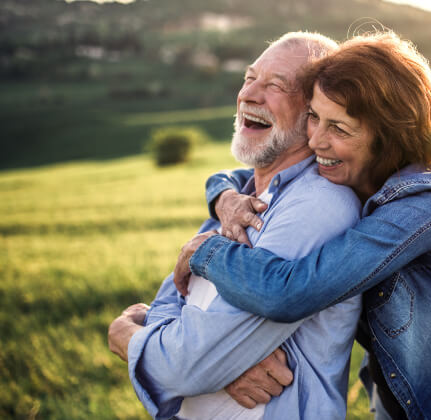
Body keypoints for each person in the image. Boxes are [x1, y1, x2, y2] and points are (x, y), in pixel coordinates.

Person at [175, 32, 431, 419]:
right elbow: (237, 176)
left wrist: (205, 250)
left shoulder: (423, 204)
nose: (316, 140)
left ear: (388, 138)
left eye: (339, 128)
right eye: (315, 117)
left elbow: (289, 293)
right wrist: (224, 198)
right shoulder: (353, 177)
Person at [107, 32, 364, 420]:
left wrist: (126, 335)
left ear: (315, 115)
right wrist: (217, 366)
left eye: (276, 85)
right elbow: (172, 306)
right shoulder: (237, 202)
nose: (249, 95)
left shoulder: (317, 205)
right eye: (249, 78)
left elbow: (185, 366)